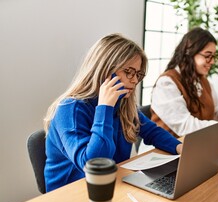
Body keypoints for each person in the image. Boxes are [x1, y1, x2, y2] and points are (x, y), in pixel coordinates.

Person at [43, 33, 182, 192]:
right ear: (104, 69)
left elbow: (152, 131)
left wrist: (180, 148)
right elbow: (94, 164)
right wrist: (104, 108)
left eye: (138, 74)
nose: (134, 80)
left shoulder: (121, 104)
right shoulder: (70, 109)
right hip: (70, 195)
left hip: (110, 186)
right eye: (128, 71)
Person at [150, 27, 218, 138]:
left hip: (195, 145)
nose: (212, 61)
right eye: (208, 56)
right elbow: (185, 126)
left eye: (213, 56)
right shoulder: (166, 84)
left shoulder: (201, 80)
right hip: (164, 151)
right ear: (189, 53)